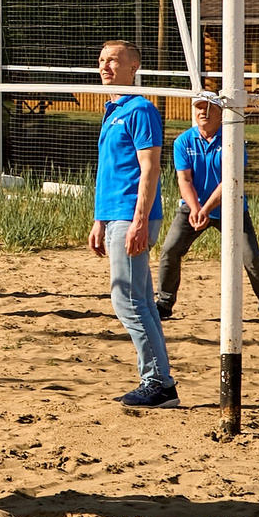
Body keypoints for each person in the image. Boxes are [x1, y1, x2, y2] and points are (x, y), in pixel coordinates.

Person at [91, 40, 176, 408]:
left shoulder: (140, 109)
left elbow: (150, 168)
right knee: (140, 300)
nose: (105, 66)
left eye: (113, 60)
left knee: (126, 300)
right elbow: (110, 172)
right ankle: (158, 379)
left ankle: (158, 382)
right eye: (101, 61)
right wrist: (99, 220)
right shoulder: (112, 110)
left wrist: (139, 219)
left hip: (131, 217)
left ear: (134, 67)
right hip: (115, 216)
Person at [155, 92, 259, 324]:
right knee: (169, 250)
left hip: (231, 207)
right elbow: (183, 180)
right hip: (193, 208)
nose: (203, 112)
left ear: (220, 113)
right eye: (199, 108)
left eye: (209, 108)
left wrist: (206, 209)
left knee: (252, 258)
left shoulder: (232, 138)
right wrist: (195, 208)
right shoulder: (183, 141)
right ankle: (164, 304)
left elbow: (231, 179)